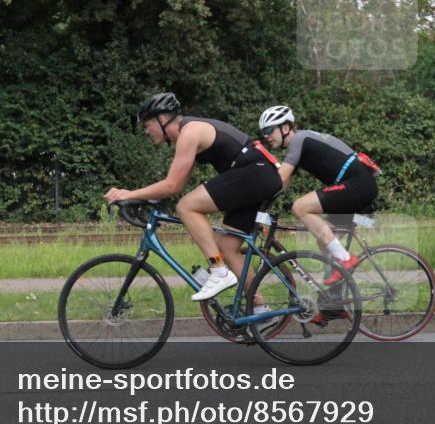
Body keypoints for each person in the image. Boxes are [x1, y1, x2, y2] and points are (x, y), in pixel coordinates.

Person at [105, 92, 282, 301]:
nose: (146, 131)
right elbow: (177, 184)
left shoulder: (189, 132)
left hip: (255, 173)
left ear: (161, 119)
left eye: (147, 125)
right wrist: (144, 196)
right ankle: (260, 308)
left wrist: (129, 194)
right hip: (258, 174)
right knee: (227, 247)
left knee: (187, 207)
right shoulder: (189, 133)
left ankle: (218, 270)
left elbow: (171, 186)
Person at [258, 105, 380, 282]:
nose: (266, 136)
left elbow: (280, 177)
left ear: (285, 128)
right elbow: (280, 186)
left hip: (358, 184)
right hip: (357, 185)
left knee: (300, 207)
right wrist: (262, 205)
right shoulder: (300, 144)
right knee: (325, 241)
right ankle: (334, 306)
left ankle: (346, 259)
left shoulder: (299, 140)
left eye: (269, 130)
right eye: (263, 132)